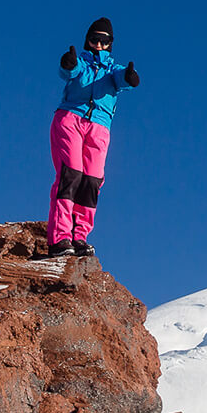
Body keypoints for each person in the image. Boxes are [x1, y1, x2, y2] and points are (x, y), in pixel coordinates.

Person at [48, 17, 139, 257]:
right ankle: (60, 237)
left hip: (99, 128)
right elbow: (69, 70)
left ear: (110, 44)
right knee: (71, 174)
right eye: (94, 39)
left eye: (104, 40)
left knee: (92, 180)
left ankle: (79, 237)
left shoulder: (112, 70)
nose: (98, 45)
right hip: (70, 119)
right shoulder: (82, 63)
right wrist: (68, 64)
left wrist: (130, 76)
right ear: (87, 40)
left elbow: (123, 79)